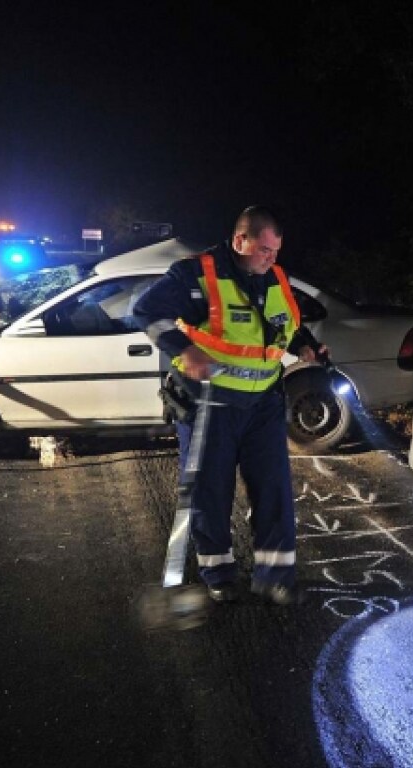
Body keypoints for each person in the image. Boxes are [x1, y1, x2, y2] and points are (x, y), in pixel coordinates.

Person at [133, 206, 327, 605]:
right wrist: (185, 349)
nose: (272, 259)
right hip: (209, 405)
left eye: (276, 251)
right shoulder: (194, 275)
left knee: (273, 490)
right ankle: (218, 573)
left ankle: (275, 577)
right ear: (240, 242)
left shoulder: (275, 277)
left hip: (264, 407)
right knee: (211, 493)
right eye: (264, 250)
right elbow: (146, 311)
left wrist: (304, 344)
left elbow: (283, 325)